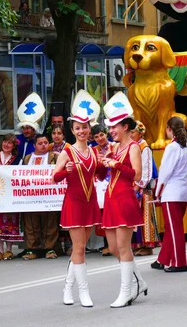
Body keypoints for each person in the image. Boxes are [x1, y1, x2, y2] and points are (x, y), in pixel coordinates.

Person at [53, 107, 106, 307]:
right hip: (74, 203)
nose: (81, 131)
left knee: (79, 248)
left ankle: (67, 286)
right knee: (80, 248)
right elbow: (54, 178)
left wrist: (102, 165)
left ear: (88, 129)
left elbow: (100, 176)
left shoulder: (93, 151)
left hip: (90, 202)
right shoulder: (67, 152)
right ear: (73, 131)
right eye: (78, 128)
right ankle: (84, 292)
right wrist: (65, 171)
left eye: (84, 127)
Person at [101, 107, 147, 308]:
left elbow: (137, 175)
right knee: (113, 247)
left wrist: (115, 164)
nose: (111, 131)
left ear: (125, 127)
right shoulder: (115, 148)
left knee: (123, 246)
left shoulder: (134, 147)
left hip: (125, 198)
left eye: (114, 127)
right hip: (111, 199)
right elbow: (104, 175)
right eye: (110, 128)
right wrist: (103, 164)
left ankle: (126, 292)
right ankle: (139, 281)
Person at [150, 117, 187, 272]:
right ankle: (163, 258)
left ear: (168, 128)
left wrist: (157, 193)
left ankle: (178, 262)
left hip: (171, 192)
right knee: (172, 228)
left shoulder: (172, 147)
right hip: (183, 191)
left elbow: (165, 173)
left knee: (174, 229)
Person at [21, 134, 59, 260]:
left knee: (50, 222)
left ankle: (50, 248)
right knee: (31, 223)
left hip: (49, 196)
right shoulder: (27, 159)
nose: (43, 145)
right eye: (40, 143)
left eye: (46, 142)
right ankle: (32, 249)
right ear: (34, 145)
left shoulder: (54, 157)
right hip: (30, 197)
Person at [0, 134, 23, 261]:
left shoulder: (18, 159)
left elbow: (18, 175)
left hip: (10, 194)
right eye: (5, 142)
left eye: (10, 143)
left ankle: (9, 250)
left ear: (13, 146)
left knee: (11, 220)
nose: (6, 145)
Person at [130, 121, 160, 256]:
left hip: (143, 187)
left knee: (146, 216)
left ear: (140, 133)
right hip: (133, 186)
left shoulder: (144, 147)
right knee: (135, 216)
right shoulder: (133, 146)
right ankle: (137, 244)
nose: (131, 135)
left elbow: (147, 170)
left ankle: (147, 246)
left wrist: (139, 185)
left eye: (133, 132)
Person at [91, 124, 112, 256]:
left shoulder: (114, 147)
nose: (99, 138)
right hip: (100, 184)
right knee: (103, 214)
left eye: (101, 135)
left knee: (113, 212)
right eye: (96, 136)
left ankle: (116, 243)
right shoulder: (93, 150)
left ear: (106, 134)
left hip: (112, 182)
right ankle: (106, 243)